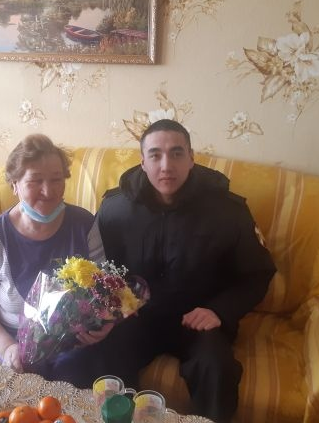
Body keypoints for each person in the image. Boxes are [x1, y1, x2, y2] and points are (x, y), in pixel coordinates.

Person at [49, 119, 277, 423]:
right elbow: (100, 271)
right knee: (92, 360)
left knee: (217, 369)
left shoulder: (228, 211)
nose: (166, 165)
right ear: (143, 162)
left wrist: (219, 311)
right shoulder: (115, 208)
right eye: (155, 155)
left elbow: (258, 274)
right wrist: (111, 309)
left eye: (176, 153)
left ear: (191, 158)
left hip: (197, 320)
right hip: (136, 318)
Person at [0, 134, 112, 373]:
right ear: (14, 184)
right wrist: (7, 347)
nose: (48, 191)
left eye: (56, 179)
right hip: (19, 344)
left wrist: (105, 322)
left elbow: (104, 289)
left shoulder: (84, 224)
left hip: (75, 342)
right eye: (35, 181)